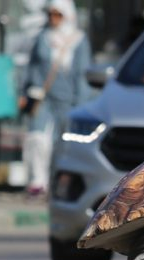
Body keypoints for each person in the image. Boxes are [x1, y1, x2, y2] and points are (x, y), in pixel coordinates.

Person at [20, 0, 90, 199]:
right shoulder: (42, 36)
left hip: (68, 100)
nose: (53, 19)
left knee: (63, 143)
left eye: (57, 14)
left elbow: (81, 75)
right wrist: (23, 91)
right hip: (41, 97)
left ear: (68, 15)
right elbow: (32, 65)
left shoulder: (78, 40)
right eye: (50, 14)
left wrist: (80, 106)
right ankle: (37, 183)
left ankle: (57, 184)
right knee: (37, 138)